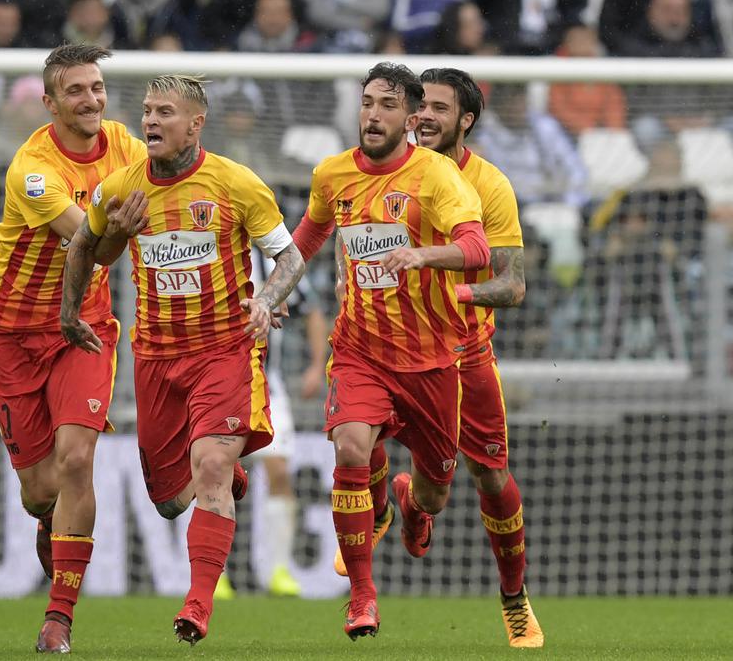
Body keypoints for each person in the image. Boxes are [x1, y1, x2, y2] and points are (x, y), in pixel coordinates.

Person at [59, 74, 305, 645]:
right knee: (170, 501)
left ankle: (197, 606)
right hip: (155, 358)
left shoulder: (236, 183)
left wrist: (267, 300)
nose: (150, 122)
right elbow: (81, 245)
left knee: (210, 470)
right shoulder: (120, 187)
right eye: (146, 111)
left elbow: (289, 257)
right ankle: (226, 469)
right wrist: (71, 313)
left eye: (164, 112)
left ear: (196, 123)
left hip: (223, 350)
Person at [289, 61, 489, 639]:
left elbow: (475, 248)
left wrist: (423, 256)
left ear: (409, 118)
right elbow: (308, 236)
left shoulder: (437, 176)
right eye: (367, 102)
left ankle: (410, 502)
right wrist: (274, 292)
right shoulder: (332, 175)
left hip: (430, 358)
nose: (372, 114)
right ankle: (361, 597)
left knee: (436, 487)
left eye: (386, 105)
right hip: (361, 349)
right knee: (351, 447)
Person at [0, 44, 147, 654]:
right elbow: (92, 247)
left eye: (97, 87)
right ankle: (49, 519)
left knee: (78, 461)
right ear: (49, 103)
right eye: (75, 91)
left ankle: (58, 619)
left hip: (85, 324)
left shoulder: (127, 146)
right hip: (14, 333)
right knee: (41, 489)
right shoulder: (33, 170)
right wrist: (122, 228)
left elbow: (172, 190)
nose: (91, 99)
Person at [415, 67, 541, 647]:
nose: (424, 116)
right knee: (351, 436)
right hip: (384, 348)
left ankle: (514, 600)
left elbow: (512, 286)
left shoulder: (490, 185)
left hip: (463, 352)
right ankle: (377, 509)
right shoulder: (381, 171)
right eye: (419, 104)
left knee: (488, 478)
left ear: (465, 120)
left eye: (439, 107)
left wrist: (456, 290)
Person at [216, 245, 329, 601]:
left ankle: (278, 569)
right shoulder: (212, 256)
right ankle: (215, 572)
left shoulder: (270, 260)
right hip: (217, 382)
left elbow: (310, 310)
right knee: (214, 472)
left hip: (267, 382)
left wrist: (315, 364)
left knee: (279, 472)